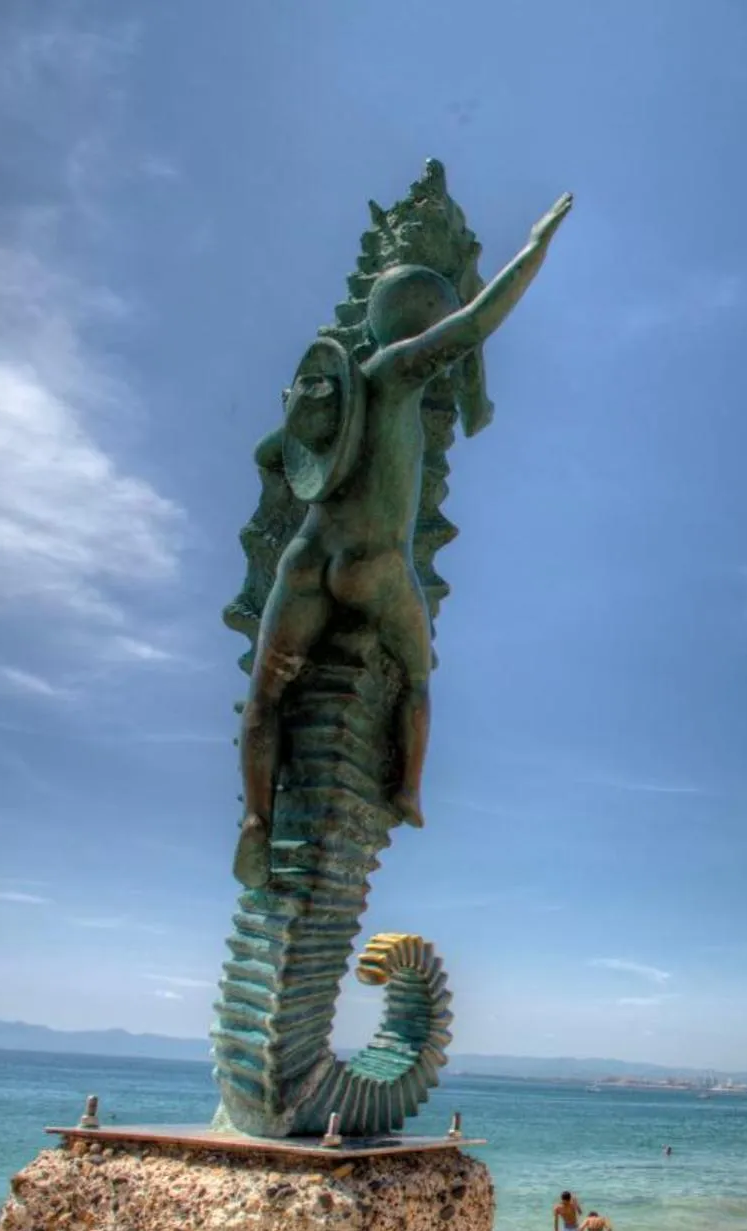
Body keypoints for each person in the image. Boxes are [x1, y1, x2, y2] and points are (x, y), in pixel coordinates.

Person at [233, 192, 575, 887]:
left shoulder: (341, 390)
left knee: (266, 698)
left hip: (306, 561)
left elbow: (273, 454)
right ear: (420, 323)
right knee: (419, 679)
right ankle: (410, 788)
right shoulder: (395, 376)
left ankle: (255, 820)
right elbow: (480, 322)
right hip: (375, 566)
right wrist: (537, 244)